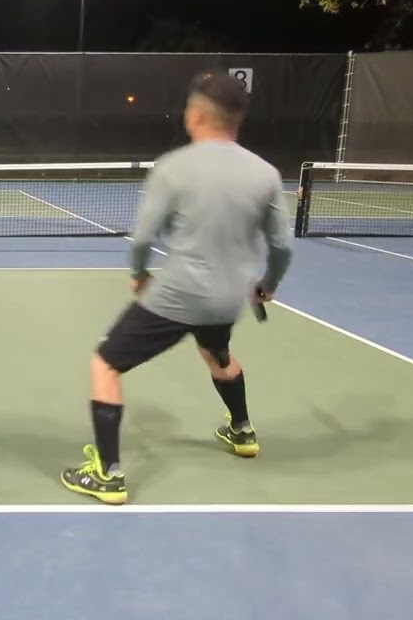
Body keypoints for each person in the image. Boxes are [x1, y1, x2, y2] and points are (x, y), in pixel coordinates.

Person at [60, 71, 294, 506]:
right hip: (227, 298)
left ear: (198, 114)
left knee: (105, 364)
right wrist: (267, 285)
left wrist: (140, 273)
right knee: (216, 354)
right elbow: (282, 246)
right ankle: (242, 431)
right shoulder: (266, 173)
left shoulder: (174, 167)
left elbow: (144, 237)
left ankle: (108, 474)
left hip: (181, 294)